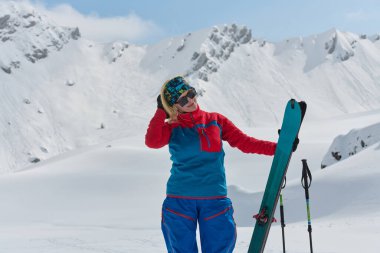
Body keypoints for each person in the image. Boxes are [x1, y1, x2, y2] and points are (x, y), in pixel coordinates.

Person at [145, 76, 287, 253]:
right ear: (175, 105)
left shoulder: (216, 120)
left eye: (190, 93)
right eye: (182, 99)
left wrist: (279, 148)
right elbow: (152, 142)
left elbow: (244, 142)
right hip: (179, 200)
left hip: (214, 199)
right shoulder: (172, 127)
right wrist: (160, 111)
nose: (190, 100)